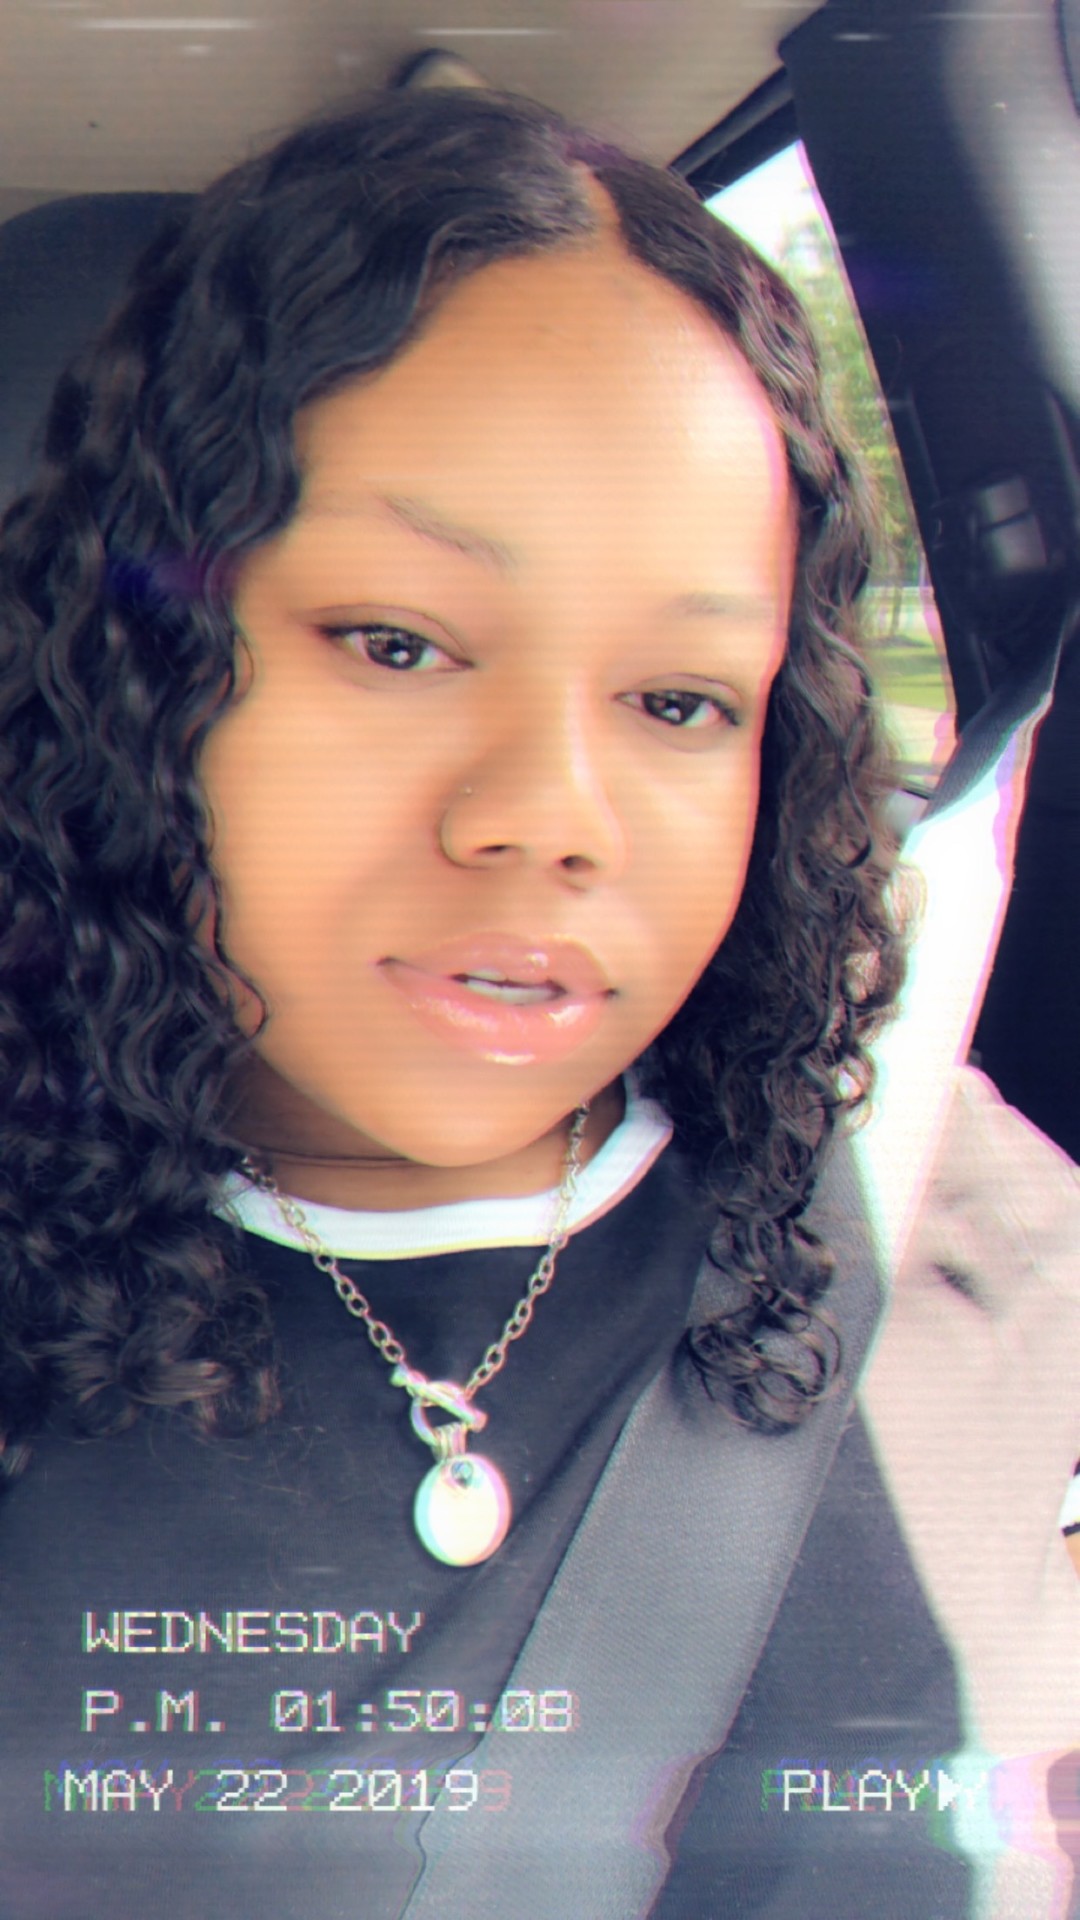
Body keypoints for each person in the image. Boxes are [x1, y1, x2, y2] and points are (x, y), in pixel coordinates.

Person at [0, 87, 1075, 1920]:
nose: (550, 820)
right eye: (397, 643)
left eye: (679, 701)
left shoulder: (956, 1219)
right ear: (145, 669)